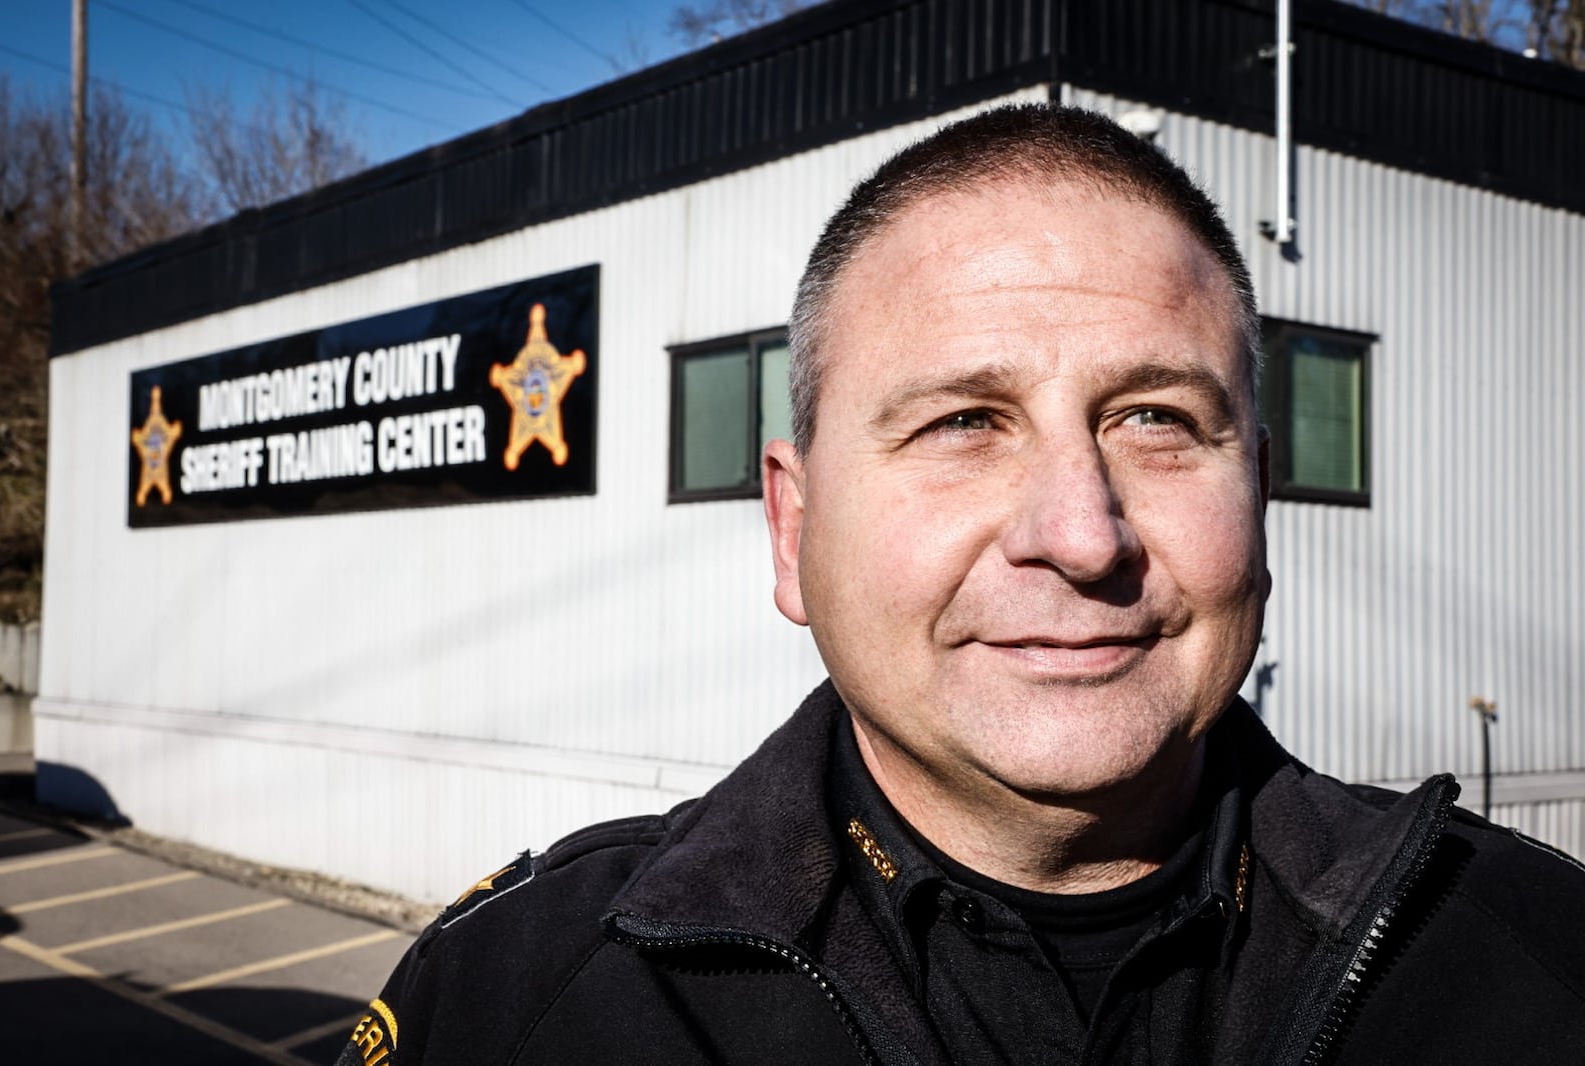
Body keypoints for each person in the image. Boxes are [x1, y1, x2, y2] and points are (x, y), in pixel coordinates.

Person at [335, 104, 1585, 1066]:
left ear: (1255, 495)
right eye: (962, 424)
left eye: (1154, 417)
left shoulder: (1533, 961)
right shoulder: (518, 1006)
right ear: (793, 526)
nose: (1080, 535)